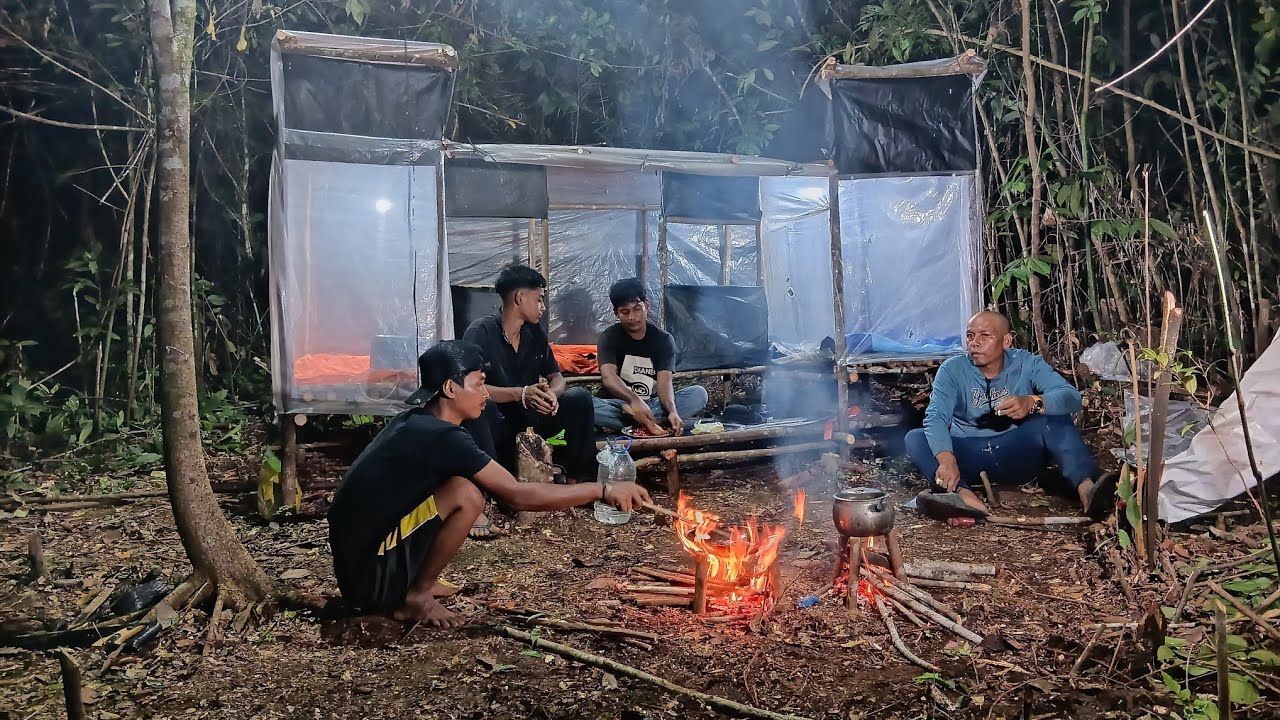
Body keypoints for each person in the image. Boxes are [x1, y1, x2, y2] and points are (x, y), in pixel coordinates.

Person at [328, 340, 651, 627]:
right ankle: (417, 596)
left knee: (456, 485)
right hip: (370, 579)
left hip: (361, 565)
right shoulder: (442, 437)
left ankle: (414, 579)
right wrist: (602, 490)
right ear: (450, 388)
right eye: (479, 384)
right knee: (466, 495)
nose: (485, 394)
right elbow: (516, 495)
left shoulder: (416, 422)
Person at [904, 311, 1116, 518]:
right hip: (968, 455)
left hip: (1016, 451)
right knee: (915, 438)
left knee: (1054, 416)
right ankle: (962, 494)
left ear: (1006, 341)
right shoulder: (952, 369)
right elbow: (936, 417)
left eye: (985, 335)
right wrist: (946, 459)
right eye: (970, 335)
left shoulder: (1027, 363)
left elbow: (1071, 397)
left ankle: (1086, 489)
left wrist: (1032, 402)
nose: (974, 343)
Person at [460, 265, 597, 535]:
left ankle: (575, 485)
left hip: (532, 420)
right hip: (498, 424)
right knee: (481, 409)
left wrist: (551, 394)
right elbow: (468, 388)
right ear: (519, 298)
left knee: (580, 398)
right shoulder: (481, 332)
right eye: (539, 299)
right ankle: (484, 498)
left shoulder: (534, 334)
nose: (543, 307)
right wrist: (520, 394)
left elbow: (558, 378)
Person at [593, 278, 709, 436]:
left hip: (654, 405)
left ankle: (643, 422)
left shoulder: (663, 339)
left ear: (646, 305)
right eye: (625, 312)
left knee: (698, 394)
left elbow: (664, 383)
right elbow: (609, 378)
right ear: (616, 313)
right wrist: (634, 401)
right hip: (621, 406)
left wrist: (672, 411)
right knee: (586, 404)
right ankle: (652, 422)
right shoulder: (609, 337)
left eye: (637, 309)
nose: (632, 317)